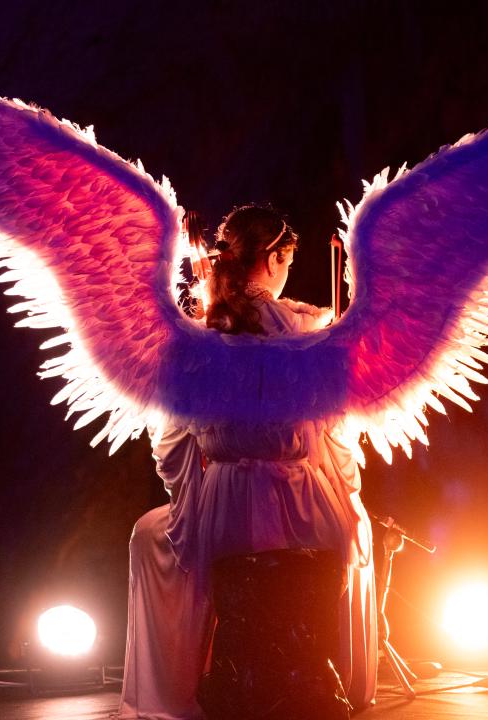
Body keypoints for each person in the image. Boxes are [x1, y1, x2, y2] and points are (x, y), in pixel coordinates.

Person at [119, 206, 377, 719]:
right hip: (303, 500)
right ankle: (334, 681)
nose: (287, 274)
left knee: (149, 536)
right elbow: (338, 437)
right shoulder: (310, 334)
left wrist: (191, 505)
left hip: (226, 501)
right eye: (288, 262)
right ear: (275, 258)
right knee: (359, 533)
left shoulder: (195, 339)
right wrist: (348, 499)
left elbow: (170, 445)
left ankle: (202, 683)